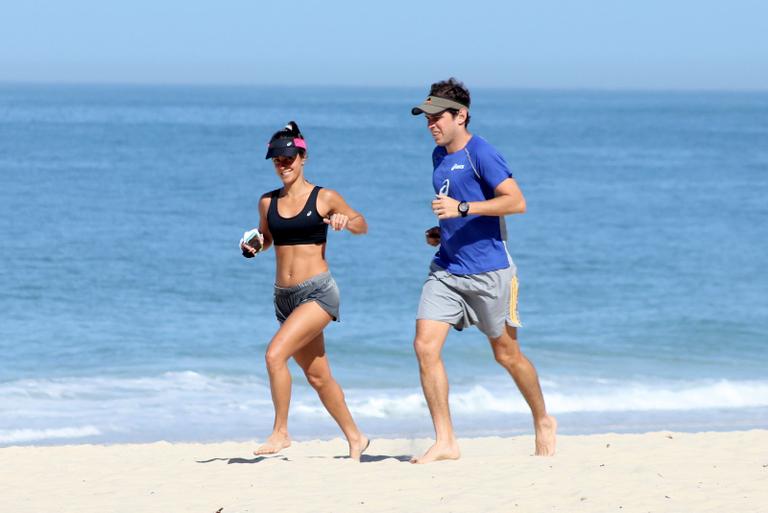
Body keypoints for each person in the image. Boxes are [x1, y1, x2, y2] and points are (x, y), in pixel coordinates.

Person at [409, 78, 557, 464]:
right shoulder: (437, 156)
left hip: (491, 272)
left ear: (461, 115)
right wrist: (442, 229)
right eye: (427, 119)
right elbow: (457, 205)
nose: (431, 125)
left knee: (507, 355)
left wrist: (461, 211)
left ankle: (542, 418)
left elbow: (516, 202)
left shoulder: (482, 153)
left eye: (437, 117)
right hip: (447, 268)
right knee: (425, 346)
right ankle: (445, 440)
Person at [240, 121, 369, 460]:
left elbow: (361, 223)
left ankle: (281, 432)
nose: (283, 165)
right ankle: (356, 437)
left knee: (274, 355)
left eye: (288, 159)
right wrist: (255, 245)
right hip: (284, 298)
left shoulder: (324, 197)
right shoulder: (267, 203)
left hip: (318, 294)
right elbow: (268, 238)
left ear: (302, 157)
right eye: (277, 160)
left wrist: (345, 222)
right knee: (318, 376)